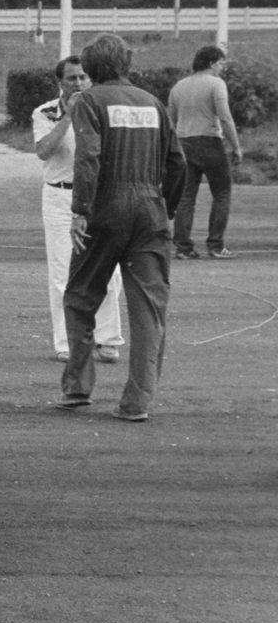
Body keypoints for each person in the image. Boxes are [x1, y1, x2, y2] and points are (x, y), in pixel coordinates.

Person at [54, 33, 185, 423]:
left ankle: (77, 388)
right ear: (126, 63)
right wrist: (168, 210)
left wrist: (81, 210)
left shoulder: (91, 101)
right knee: (148, 310)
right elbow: (177, 162)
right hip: (151, 211)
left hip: (105, 209)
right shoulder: (153, 103)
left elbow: (89, 157)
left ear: (91, 68)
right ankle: (137, 402)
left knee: (80, 297)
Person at [32, 56, 123, 363]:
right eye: (72, 78)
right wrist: (69, 116)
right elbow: (44, 151)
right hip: (60, 196)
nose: (79, 83)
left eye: (83, 77)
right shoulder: (46, 112)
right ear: (60, 83)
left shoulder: (102, 108)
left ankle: (107, 338)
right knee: (62, 271)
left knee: (109, 269)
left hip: (100, 196)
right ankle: (67, 341)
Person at [168, 45, 242, 261]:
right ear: (211, 63)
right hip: (209, 141)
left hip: (183, 143)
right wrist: (236, 146)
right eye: (220, 63)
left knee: (186, 197)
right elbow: (225, 117)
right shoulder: (216, 84)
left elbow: (170, 120)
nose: (221, 68)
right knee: (221, 194)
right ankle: (216, 245)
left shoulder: (179, 86)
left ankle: (183, 247)